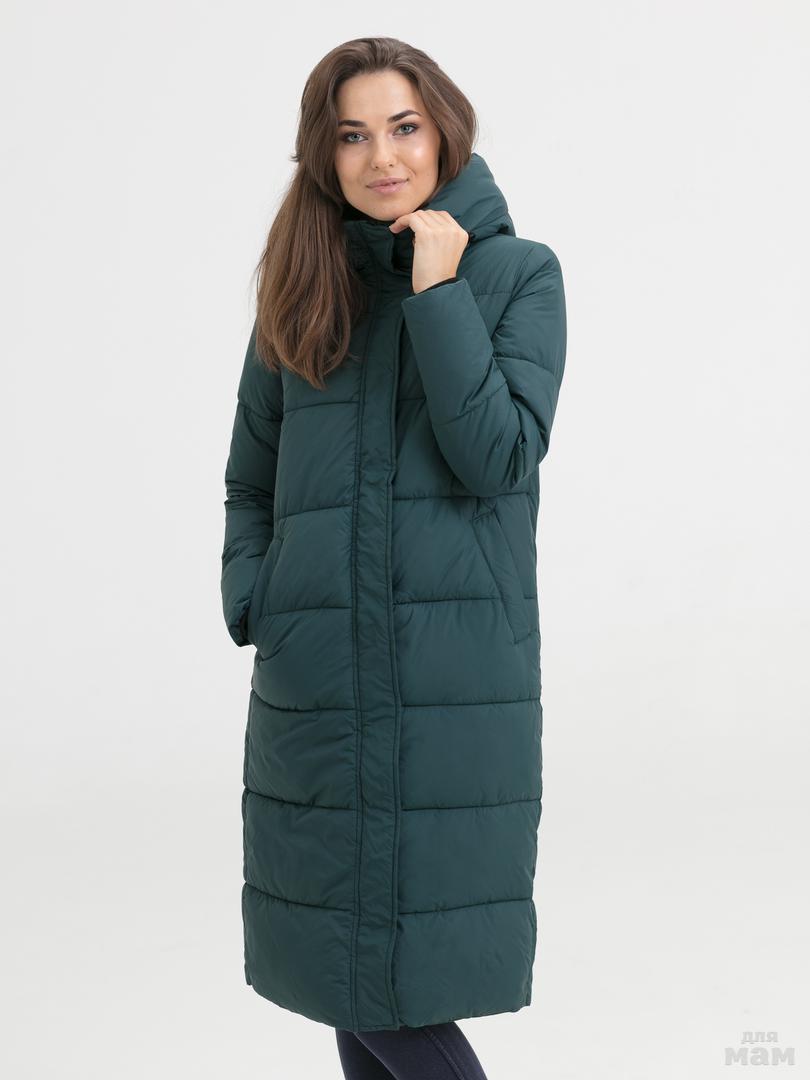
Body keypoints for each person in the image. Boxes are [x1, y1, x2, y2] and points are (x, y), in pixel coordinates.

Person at [220, 36, 567, 1080]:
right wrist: (261, 601)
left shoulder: (518, 276)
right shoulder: (302, 292)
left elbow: (498, 456)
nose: (383, 157)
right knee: (344, 974)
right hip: (316, 685)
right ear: (322, 156)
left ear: (444, 131)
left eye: (404, 127)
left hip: (448, 688)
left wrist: (438, 292)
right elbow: (250, 481)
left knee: (397, 986)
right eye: (353, 135)